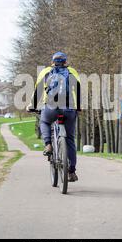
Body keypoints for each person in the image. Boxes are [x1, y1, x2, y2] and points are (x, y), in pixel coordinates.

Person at [27, 52, 81, 182]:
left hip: (51, 107)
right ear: (65, 62)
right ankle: (72, 171)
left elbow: (38, 91)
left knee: (44, 122)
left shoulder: (46, 72)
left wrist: (32, 106)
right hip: (69, 108)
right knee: (70, 139)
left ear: (52, 62)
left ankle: (48, 144)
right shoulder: (72, 72)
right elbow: (78, 90)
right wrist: (78, 107)